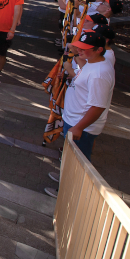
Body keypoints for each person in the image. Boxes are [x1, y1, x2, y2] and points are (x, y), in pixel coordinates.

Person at [45, 31, 115, 197]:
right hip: (74, 120)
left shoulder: (100, 74)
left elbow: (98, 106)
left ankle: (69, 193)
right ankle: (64, 179)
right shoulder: (93, 63)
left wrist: (78, 127)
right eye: (80, 47)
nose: (80, 51)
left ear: (98, 49)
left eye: (85, 49)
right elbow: (84, 82)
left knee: (79, 163)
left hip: (81, 125)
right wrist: (71, 78)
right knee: (70, 158)